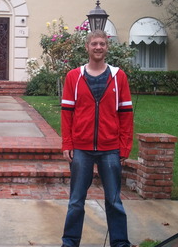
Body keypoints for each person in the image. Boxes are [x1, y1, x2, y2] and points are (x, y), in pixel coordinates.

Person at [61, 30, 134, 247]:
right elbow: (67, 113)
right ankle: (70, 242)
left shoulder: (118, 76)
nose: (98, 47)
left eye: (102, 43)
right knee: (76, 201)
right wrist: (67, 142)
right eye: (94, 43)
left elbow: (126, 114)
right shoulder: (73, 77)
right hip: (81, 148)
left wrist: (124, 146)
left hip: (110, 148)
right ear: (87, 47)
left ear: (107, 47)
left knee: (113, 201)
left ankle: (120, 243)